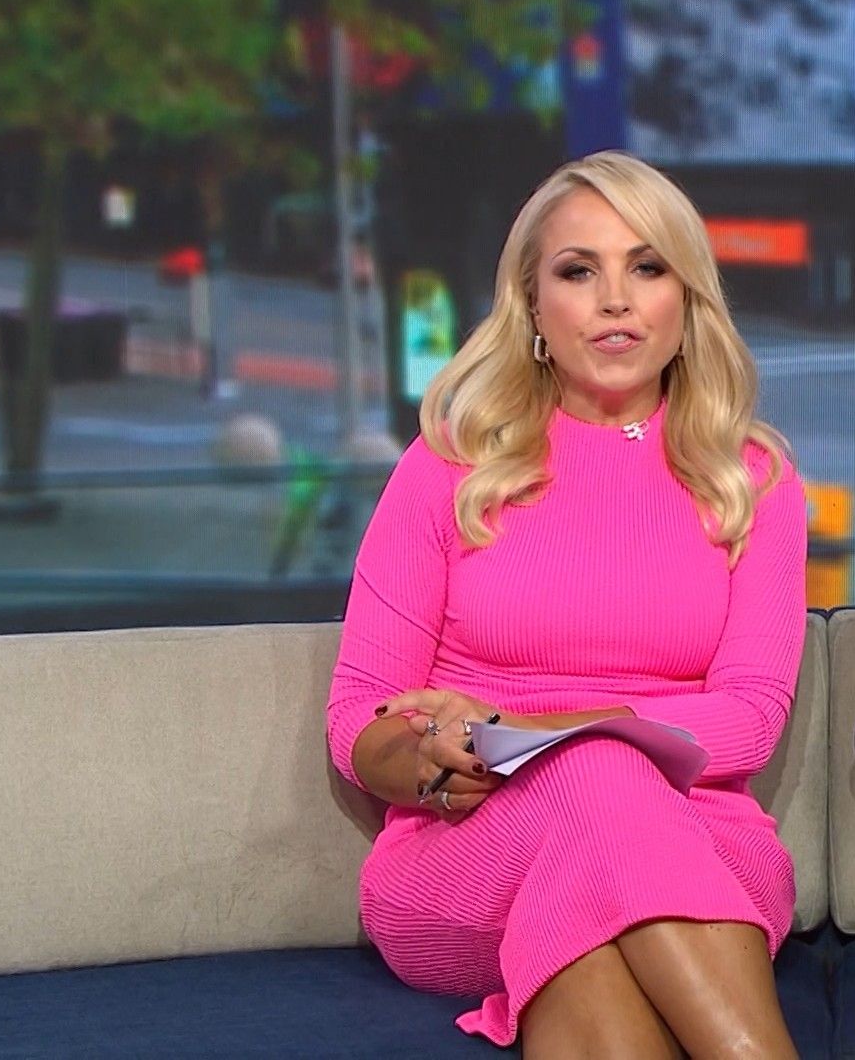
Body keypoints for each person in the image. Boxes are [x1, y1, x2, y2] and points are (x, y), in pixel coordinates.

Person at [326, 151, 806, 1058]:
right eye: (579, 272)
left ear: (686, 299)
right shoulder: (449, 468)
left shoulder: (754, 481)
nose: (616, 300)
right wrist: (430, 756)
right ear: (534, 306)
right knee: (596, 781)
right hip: (472, 846)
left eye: (647, 267)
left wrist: (534, 730)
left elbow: (748, 721)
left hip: (700, 840)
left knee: (597, 803)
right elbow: (360, 713)